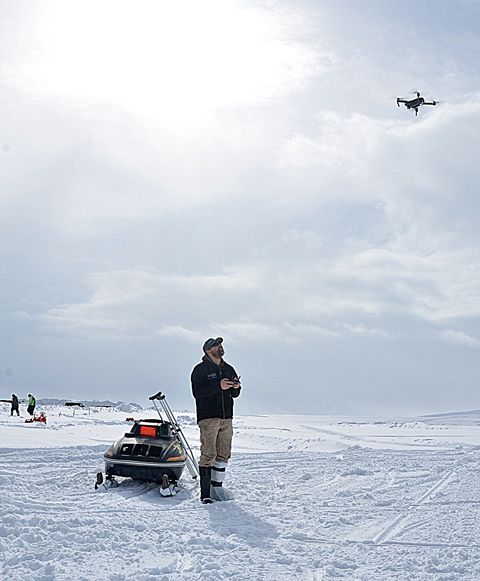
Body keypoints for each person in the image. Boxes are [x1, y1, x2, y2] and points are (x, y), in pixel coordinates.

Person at [191, 337, 241, 504]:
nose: (220, 347)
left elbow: (235, 394)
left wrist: (236, 387)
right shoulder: (200, 370)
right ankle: (205, 494)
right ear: (208, 350)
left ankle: (216, 489)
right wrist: (217, 386)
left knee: (223, 454)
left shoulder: (229, 368)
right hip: (208, 418)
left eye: (220, 345)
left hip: (227, 417)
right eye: (216, 346)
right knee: (208, 454)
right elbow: (197, 393)